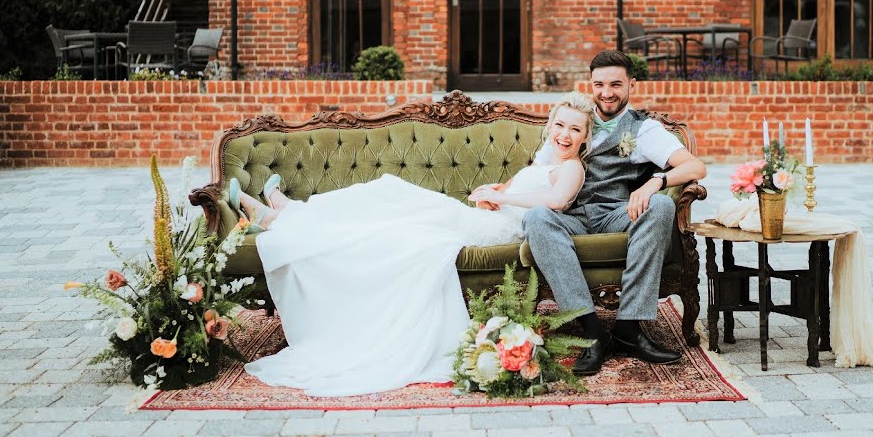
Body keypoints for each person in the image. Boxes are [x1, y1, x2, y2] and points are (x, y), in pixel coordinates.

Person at [225, 92, 595, 396]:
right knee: (385, 212)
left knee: (391, 195)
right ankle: (289, 214)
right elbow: (520, 193)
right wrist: (495, 193)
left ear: (584, 136)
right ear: (550, 127)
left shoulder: (573, 167)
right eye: (560, 125)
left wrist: (507, 200)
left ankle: (284, 216)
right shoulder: (545, 159)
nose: (565, 134)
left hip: (490, 230)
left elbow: (557, 201)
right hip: (485, 219)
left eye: (574, 129)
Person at [520, 50, 707, 376]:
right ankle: (591, 333)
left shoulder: (643, 129)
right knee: (536, 217)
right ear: (590, 84)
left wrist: (656, 181)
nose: (607, 92)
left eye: (616, 84)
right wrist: (501, 193)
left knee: (662, 204)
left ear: (632, 84)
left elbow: (695, 166)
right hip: (572, 215)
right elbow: (538, 168)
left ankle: (630, 328)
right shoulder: (574, 119)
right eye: (599, 84)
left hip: (618, 213)